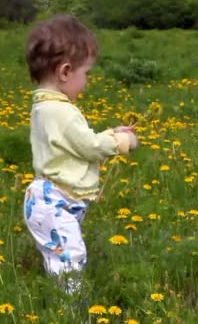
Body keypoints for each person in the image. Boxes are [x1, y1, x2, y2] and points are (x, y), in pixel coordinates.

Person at [22, 14, 138, 292]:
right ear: (65, 72)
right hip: (56, 201)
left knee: (62, 256)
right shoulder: (61, 111)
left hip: (52, 197)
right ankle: (71, 312)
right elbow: (90, 146)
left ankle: (59, 299)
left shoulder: (44, 106)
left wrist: (111, 132)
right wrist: (123, 141)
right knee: (71, 257)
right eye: (85, 73)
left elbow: (77, 142)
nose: (87, 82)